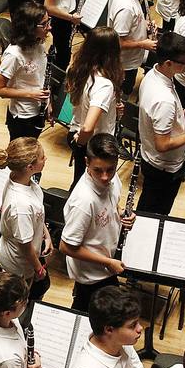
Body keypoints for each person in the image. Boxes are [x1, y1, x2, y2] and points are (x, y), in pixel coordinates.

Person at [60, 134, 131, 315]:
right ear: (86, 162)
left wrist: (122, 213)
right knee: (87, 319)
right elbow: (66, 246)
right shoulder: (84, 202)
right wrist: (108, 262)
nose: (105, 177)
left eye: (110, 169)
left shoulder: (113, 180)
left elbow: (113, 203)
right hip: (92, 276)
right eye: (98, 170)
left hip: (105, 267)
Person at [135, 32, 185, 216]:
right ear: (168, 63)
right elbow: (162, 144)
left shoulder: (153, 74)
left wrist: (181, 115)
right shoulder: (163, 99)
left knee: (148, 209)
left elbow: (157, 116)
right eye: (184, 62)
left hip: (152, 160)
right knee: (154, 215)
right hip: (164, 168)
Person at [0, 139, 52, 302]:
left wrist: (45, 234)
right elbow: (24, 246)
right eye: (42, 157)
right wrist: (39, 269)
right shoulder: (21, 206)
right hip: (19, 265)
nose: (45, 159)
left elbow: (36, 213)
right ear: (29, 167)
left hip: (29, 252)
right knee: (24, 300)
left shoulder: (18, 178)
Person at [64, 30, 122, 184]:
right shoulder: (104, 85)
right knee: (87, 186)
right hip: (93, 144)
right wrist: (81, 145)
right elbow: (88, 127)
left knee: (80, 182)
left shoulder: (76, 68)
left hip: (76, 132)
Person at [0, 4, 51, 142]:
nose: (49, 27)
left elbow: (41, 77)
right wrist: (31, 94)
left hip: (38, 110)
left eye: (49, 21)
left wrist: (48, 103)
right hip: (22, 117)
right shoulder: (14, 55)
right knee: (20, 157)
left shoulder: (39, 43)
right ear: (30, 28)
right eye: (44, 24)